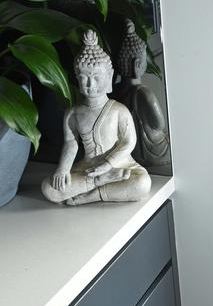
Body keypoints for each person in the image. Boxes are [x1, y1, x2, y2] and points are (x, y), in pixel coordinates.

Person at [41, 30, 151, 205]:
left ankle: (92, 195)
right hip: (88, 168)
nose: (90, 84)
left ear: (109, 76)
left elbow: (128, 142)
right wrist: (63, 169)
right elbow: (71, 143)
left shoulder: (119, 110)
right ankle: (99, 182)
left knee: (143, 184)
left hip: (120, 164)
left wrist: (108, 163)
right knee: (49, 189)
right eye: (84, 78)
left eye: (96, 78)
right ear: (77, 78)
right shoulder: (73, 112)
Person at [114, 19, 171, 167]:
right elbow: (158, 124)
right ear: (137, 65)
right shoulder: (144, 94)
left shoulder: (116, 91)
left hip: (132, 151)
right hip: (152, 150)